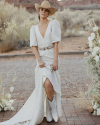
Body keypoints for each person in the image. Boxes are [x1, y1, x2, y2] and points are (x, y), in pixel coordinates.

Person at [0, 1, 62, 125]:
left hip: (51, 57)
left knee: (51, 84)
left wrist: (56, 60)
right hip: (42, 59)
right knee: (47, 83)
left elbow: (56, 44)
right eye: (41, 10)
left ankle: (50, 109)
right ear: (38, 12)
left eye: (46, 10)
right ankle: (52, 106)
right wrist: (39, 60)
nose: (43, 12)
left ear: (48, 13)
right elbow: (34, 46)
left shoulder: (53, 24)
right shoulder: (33, 28)